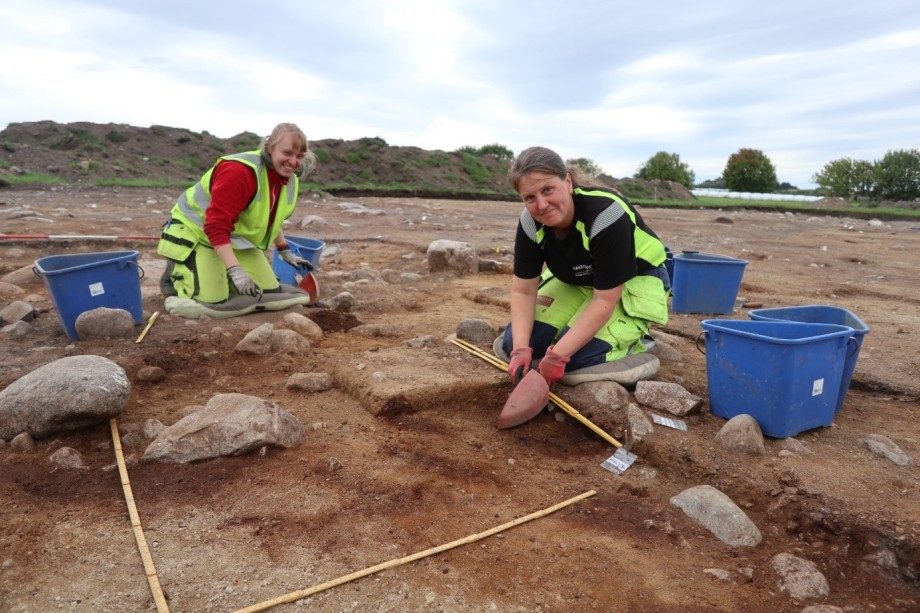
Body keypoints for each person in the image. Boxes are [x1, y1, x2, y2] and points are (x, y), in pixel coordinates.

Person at [497, 146, 671, 388]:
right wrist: (519, 352)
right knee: (512, 344)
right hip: (579, 278)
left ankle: (637, 345)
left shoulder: (605, 215)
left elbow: (604, 300)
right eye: (530, 198)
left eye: (548, 190)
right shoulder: (529, 222)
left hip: (632, 279)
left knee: (575, 361)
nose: (542, 205)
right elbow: (523, 291)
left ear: (567, 181)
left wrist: (557, 357)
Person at [157, 122, 318, 318]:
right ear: (270, 148)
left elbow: (272, 219)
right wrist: (237, 272)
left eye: (299, 156)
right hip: (197, 234)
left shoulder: (289, 179)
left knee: (269, 292)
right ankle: (175, 277)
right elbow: (215, 226)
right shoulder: (240, 172)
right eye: (287, 153)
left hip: (233, 238)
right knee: (212, 301)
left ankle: (221, 274)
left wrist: (285, 251)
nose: (293, 162)